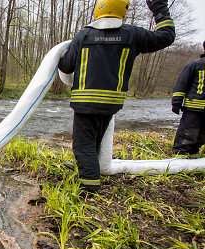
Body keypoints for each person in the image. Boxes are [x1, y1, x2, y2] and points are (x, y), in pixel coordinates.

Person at [58, 0, 175, 193]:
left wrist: (61, 53)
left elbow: (66, 66)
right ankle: (88, 168)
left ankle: (90, 185)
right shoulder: (132, 34)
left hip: (84, 101)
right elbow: (166, 36)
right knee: (94, 139)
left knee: (83, 145)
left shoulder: (84, 35)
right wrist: (160, 9)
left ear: (98, 12)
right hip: (111, 103)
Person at [171, 41, 205, 157]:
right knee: (186, 134)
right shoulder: (195, 65)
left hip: (194, 108)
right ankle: (179, 157)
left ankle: (194, 154)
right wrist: (176, 102)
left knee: (201, 136)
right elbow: (182, 84)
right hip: (193, 109)